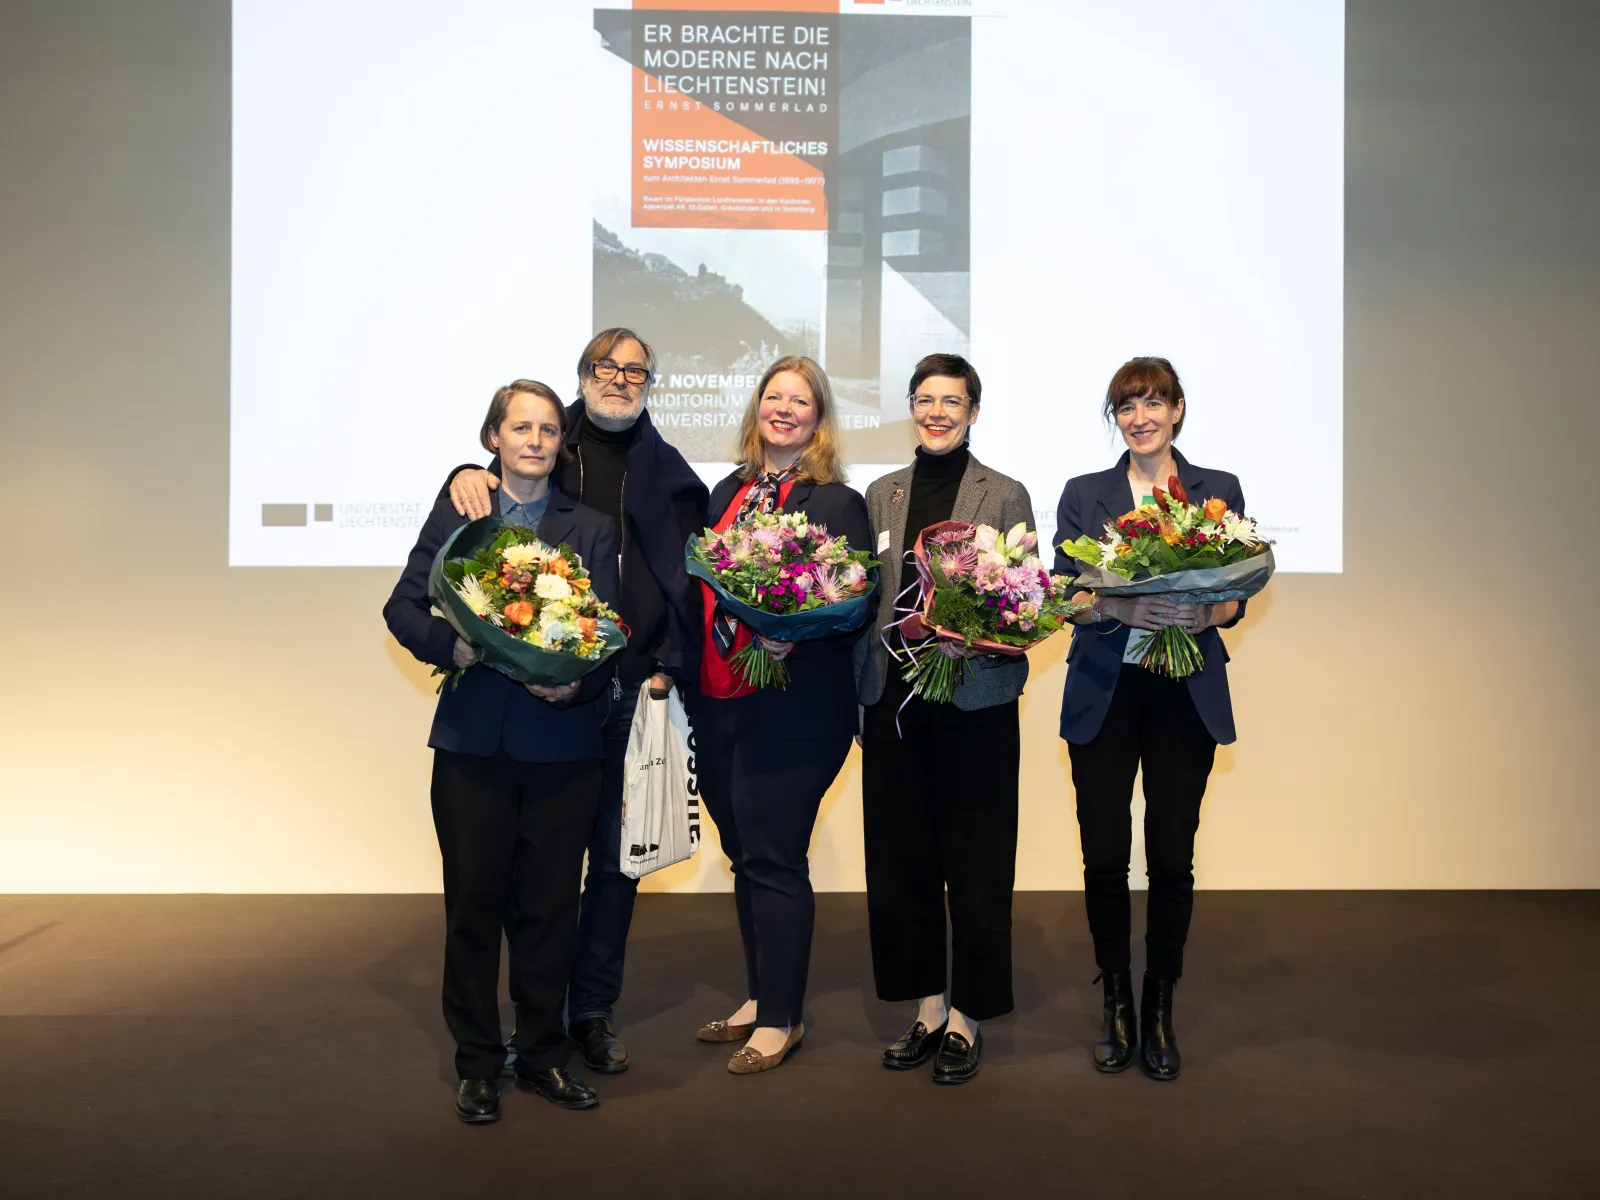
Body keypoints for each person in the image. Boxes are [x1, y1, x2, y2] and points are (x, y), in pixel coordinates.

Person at [446, 330, 708, 1075]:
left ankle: (589, 1009)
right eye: (606, 367)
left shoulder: (673, 474)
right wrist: (467, 470)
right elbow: (495, 493)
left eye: (635, 371)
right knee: (537, 869)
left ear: (650, 384)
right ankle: (533, 1021)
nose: (619, 381)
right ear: (583, 375)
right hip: (538, 700)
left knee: (615, 864)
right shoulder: (538, 448)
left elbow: (686, 585)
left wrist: (670, 667)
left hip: (631, 689)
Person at [384, 380, 622, 1122]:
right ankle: (479, 1064)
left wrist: (574, 690)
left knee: (551, 912)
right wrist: (450, 644)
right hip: (474, 746)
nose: (536, 441)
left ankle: (544, 1056)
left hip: (562, 748)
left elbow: (609, 640)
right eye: (521, 427)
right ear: (493, 437)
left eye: (549, 430)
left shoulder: (591, 527)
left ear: (560, 443)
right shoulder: (461, 508)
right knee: (474, 911)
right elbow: (401, 606)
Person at [1051, 357, 1249, 1082]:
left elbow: (1238, 595)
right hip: (1106, 688)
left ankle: (1160, 999)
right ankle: (1117, 1002)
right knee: (1104, 855)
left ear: (1178, 409)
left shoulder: (1215, 492)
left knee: (1170, 855)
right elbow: (1066, 594)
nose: (1140, 417)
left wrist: (1204, 609)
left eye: (1153, 402)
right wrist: (1121, 604)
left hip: (1183, 689)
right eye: (1127, 406)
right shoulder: (1085, 494)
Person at [855, 354, 1034, 1085]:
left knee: (978, 863)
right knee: (903, 863)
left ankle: (969, 1016)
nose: (936, 412)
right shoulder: (881, 493)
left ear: (973, 412)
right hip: (894, 704)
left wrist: (966, 628)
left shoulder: (1005, 492)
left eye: (950, 401)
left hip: (974, 702)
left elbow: (1022, 599)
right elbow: (867, 596)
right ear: (910, 408)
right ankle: (928, 1009)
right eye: (924, 400)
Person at [692, 356, 871, 1074]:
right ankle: (762, 994)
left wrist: (785, 631)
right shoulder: (726, 492)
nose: (785, 409)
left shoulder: (837, 502)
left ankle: (782, 1019)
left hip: (798, 710)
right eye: (775, 396)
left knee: (774, 856)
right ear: (756, 408)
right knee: (746, 857)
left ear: (819, 419)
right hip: (720, 699)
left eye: (801, 400)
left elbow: (849, 608)